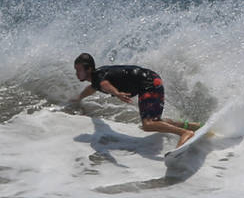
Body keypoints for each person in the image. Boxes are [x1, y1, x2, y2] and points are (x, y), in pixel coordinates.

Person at [72, 53, 200, 148]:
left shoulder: (98, 77)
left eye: (79, 70)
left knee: (148, 124)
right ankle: (193, 126)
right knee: (155, 122)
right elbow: (91, 89)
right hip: (151, 80)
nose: (77, 73)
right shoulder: (97, 78)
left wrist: (117, 93)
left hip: (148, 83)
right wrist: (78, 99)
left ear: (88, 69)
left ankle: (185, 133)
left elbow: (105, 84)